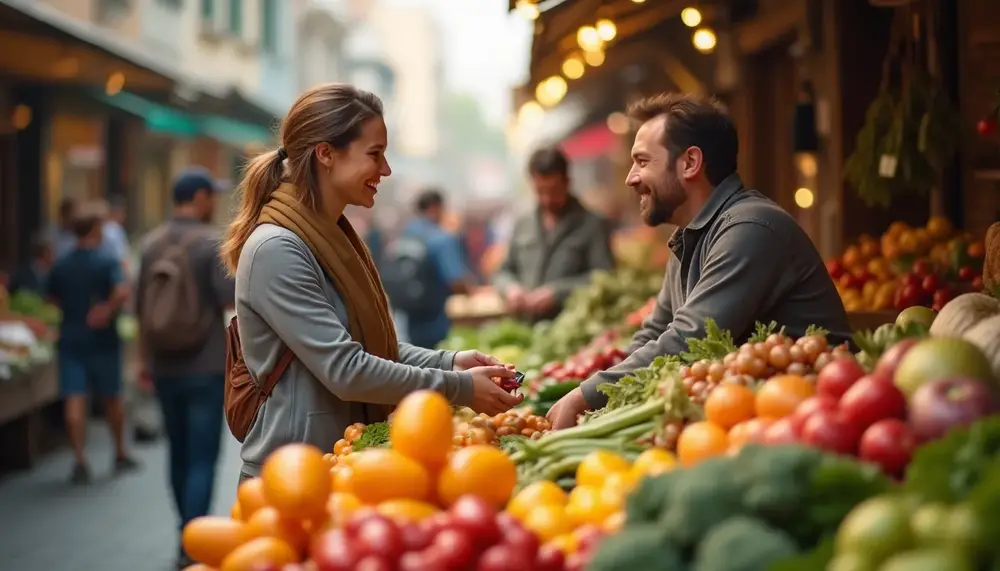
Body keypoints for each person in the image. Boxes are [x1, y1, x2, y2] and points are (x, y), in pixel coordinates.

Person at [219, 83, 521, 481]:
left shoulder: (332, 236)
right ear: (326, 154)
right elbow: (346, 368)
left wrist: (449, 361)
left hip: (344, 463)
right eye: (375, 154)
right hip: (292, 478)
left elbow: (370, 348)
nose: (386, 170)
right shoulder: (278, 248)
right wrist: (458, 387)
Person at [545, 93, 852, 429]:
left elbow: (688, 340)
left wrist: (585, 395)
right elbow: (654, 333)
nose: (630, 178)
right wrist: (600, 396)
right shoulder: (691, 234)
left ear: (690, 163)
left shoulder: (749, 229)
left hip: (809, 420)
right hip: (749, 416)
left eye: (643, 162)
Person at [136, 167, 233, 569]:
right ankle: (194, 541)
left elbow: (140, 308)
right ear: (198, 198)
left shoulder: (150, 244)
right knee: (202, 457)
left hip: (164, 368)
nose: (214, 202)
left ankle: (184, 530)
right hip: (205, 366)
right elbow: (229, 297)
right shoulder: (210, 242)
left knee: (177, 452)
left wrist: (143, 363)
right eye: (211, 195)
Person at [46, 204, 138, 483]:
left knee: (75, 395)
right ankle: (120, 452)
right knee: (112, 395)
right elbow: (122, 291)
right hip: (104, 339)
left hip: (72, 336)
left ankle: (79, 459)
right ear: (96, 229)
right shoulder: (107, 260)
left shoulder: (61, 264)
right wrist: (106, 310)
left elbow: (51, 299)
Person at [493, 147, 615, 320]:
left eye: (553, 190)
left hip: (570, 326)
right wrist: (511, 289)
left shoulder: (592, 224)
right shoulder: (523, 224)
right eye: (540, 191)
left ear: (567, 182)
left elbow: (604, 278)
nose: (547, 199)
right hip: (524, 327)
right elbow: (503, 271)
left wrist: (558, 293)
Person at [383, 189, 474, 349]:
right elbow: (456, 280)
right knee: (437, 362)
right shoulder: (440, 238)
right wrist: (470, 292)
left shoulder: (403, 236)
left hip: (405, 318)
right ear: (436, 207)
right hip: (434, 320)